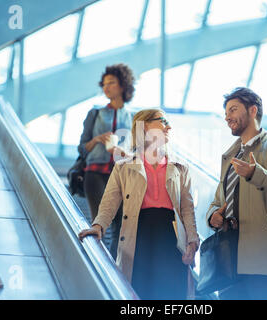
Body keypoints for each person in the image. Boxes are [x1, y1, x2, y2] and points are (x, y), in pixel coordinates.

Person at [79, 109, 200, 300]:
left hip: (172, 239)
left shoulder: (180, 168)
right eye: (162, 121)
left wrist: (193, 241)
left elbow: (187, 209)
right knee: (140, 292)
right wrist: (98, 226)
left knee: (171, 294)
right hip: (138, 236)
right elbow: (110, 201)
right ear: (143, 127)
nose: (169, 126)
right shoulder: (124, 166)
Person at [206, 87, 267, 300]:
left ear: (252, 110)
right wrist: (213, 217)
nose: (227, 117)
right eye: (225, 113)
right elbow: (218, 200)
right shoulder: (229, 156)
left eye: (232, 110)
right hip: (230, 261)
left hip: (265, 263)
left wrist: (256, 173)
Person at [78, 63, 135, 259]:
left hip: (122, 176)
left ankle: (114, 268)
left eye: (111, 83)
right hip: (95, 173)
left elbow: (137, 152)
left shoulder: (134, 118)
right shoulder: (95, 114)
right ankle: (98, 262)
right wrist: (97, 140)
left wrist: (117, 149)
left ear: (123, 86)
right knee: (100, 221)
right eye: (104, 84)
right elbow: (82, 147)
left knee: (121, 227)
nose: (106, 87)